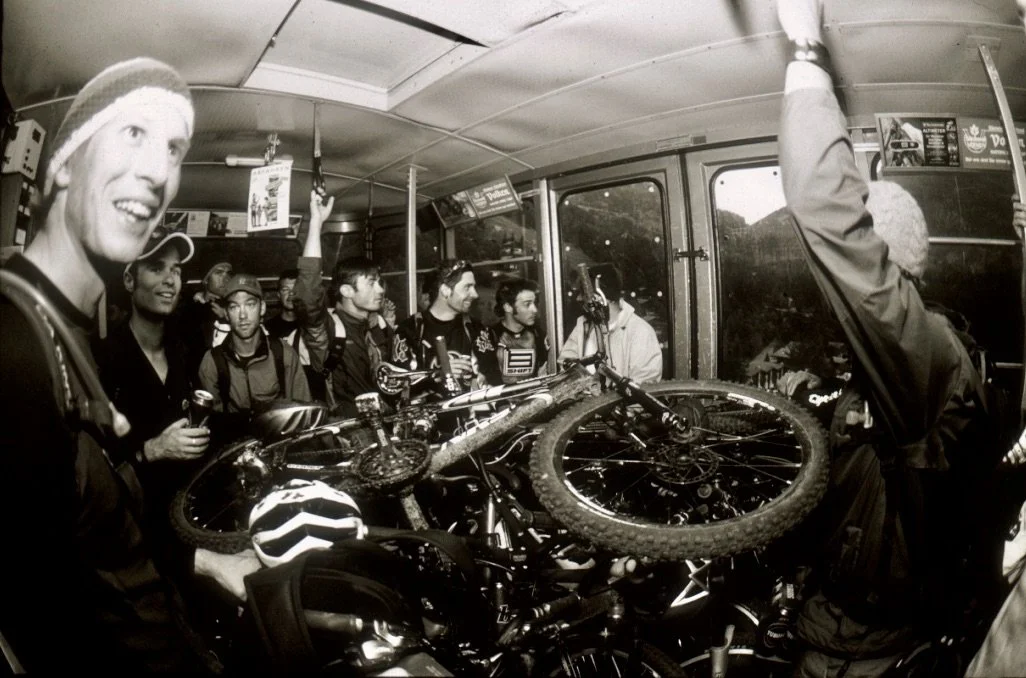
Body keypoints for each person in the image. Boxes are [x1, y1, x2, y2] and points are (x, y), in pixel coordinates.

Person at [0, 57, 259, 673]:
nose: (157, 170)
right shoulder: (12, 345)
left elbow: (94, 532)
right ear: (62, 164)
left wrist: (205, 560)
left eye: (173, 149)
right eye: (133, 133)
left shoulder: (63, 332)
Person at [774, 2, 1003, 675]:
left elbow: (822, 205)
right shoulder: (892, 369)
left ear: (887, 271)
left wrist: (807, 56)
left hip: (870, 648)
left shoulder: (923, 350)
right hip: (835, 621)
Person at [95, 227, 210, 579]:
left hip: (190, 518)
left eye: (176, 270)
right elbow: (93, 473)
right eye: (157, 269)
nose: (170, 280)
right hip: (135, 540)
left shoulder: (184, 352)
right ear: (129, 281)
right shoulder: (103, 360)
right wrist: (151, 449)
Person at [292, 191, 394, 414]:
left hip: (387, 420)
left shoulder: (380, 328)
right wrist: (316, 224)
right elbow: (307, 295)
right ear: (347, 290)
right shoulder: (328, 331)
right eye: (371, 283)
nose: (380, 289)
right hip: (349, 429)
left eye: (380, 282)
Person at [198, 272, 311, 431]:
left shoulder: (284, 354)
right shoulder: (212, 361)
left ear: (262, 308)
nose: (242, 315)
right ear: (227, 314)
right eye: (234, 307)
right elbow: (209, 425)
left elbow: (304, 415)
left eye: (250, 305)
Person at [391, 258, 502, 389]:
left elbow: (494, 379)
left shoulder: (477, 329)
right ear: (445, 290)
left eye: (474, 287)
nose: (475, 294)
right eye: (467, 287)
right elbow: (396, 385)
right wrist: (437, 375)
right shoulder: (410, 330)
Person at [558, 262, 662, 383]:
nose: (579, 299)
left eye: (584, 296)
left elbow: (645, 384)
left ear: (599, 299)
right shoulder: (583, 325)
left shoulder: (640, 332)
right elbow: (565, 365)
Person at [266, 266, 327, 400]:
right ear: (278, 295)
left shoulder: (313, 327)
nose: (291, 294)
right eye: (285, 290)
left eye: (295, 290)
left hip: (313, 393)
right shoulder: (267, 328)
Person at [491, 277, 548, 383]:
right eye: (527, 304)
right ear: (508, 307)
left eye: (535, 303)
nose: (534, 310)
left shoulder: (538, 335)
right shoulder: (490, 336)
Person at [180, 260, 232, 375]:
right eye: (219, 273)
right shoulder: (187, 308)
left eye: (228, 273)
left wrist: (227, 318)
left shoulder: (233, 307)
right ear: (206, 279)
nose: (226, 278)